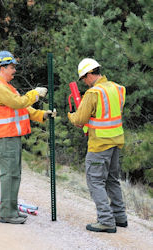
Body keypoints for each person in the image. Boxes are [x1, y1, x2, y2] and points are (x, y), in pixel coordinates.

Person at [0, 50, 56, 224]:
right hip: (5, 138)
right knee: (9, 175)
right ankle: (7, 214)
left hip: (12, 138)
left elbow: (23, 109)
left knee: (14, 175)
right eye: (12, 67)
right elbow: (19, 103)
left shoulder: (9, 88)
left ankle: (11, 211)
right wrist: (34, 94)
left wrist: (43, 114)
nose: (14, 70)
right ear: (2, 68)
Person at [68, 58, 127, 233]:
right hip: (116, 141)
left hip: (99, 144)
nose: (84, 82)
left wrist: (70, 115)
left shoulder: (93, 93)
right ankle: (120, 217)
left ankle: (106, 220)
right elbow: (110, 115)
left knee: (95, 181)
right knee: (112, 180)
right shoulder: (118, 89)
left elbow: (79, 119)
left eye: (83, 78)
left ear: (89, 74)